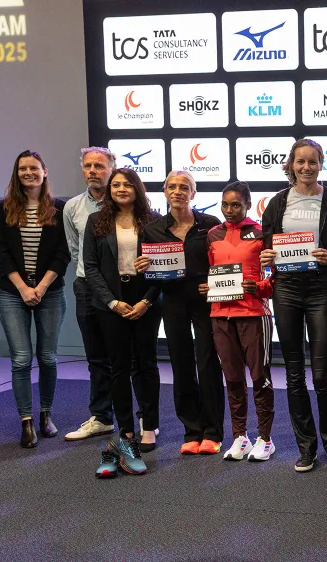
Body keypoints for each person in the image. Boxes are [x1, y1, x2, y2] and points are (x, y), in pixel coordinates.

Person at [261, 138, 327, 472]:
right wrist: (266, 257)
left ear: (321, 164)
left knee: (322, 375)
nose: (306, 167)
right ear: (291, 164)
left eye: (312, 161)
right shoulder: (278, 202)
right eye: (300, 161)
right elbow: (266, 247)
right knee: (294, 374)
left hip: (318, 290)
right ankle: (306, 448)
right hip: (285, 289)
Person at [135, 171, 224, 455]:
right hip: (173, 301)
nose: (178, 191)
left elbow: (223, 261)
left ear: (193, 193)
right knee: (181, 364)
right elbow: (149, 274)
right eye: (172, 186)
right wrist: (143, 268)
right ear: (164, 192)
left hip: (205, 301)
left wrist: (215, 284)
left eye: (184, 187)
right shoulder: (152, 229)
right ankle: (192, 430)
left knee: (208, 364)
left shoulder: (210, 224)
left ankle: (213, 431)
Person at [84, 168, 161, 476]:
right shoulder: (96, 221)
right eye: (115, 184)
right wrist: (113, 303)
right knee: (119, 367)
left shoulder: (154, 220)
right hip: (111, 302)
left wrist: (147, 301)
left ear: (137, 188)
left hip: (145, 299)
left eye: (127, 184)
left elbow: (164, 265)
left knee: (146, 364)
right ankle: (126, 430)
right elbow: (90, 267)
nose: (120, 189)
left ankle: (149, 426)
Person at [0, 150, 70, 447]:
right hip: (13, 293)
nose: (28, 173)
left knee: (47, 357)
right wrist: (24, 288)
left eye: (34, 168)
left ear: (44, 172)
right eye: (23, 168)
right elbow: (0, 252)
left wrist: (42, 286)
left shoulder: (59, 208)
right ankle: (26, 422)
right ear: (17, 173)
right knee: (21, 359)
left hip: (50, 292)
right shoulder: (2, 208)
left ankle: (46, 415)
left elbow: (63, 253)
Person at [203, 181, 276, 462]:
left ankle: (265, 439)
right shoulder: (213, 235)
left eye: (235, 205)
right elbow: (211, 273)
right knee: (232, 379)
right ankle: (240, 437)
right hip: (220, 315)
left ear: (248, 204)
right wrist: (206, 287)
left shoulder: (260, 233)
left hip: (254, 314)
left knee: (259, 378)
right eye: (225, 204)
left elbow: (277, 277)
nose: (229, 210)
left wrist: (260, 287)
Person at [63, 147, 117, 441]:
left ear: (111, 169)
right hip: (87, 287)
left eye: (99, 165)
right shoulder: (72, 207)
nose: (93, 171)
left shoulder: (125, 200)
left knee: (131, 357)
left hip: (120, 286)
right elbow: (75, 249)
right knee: (96, 357)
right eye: (88, 166)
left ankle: (143, 419)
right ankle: (102, 417)